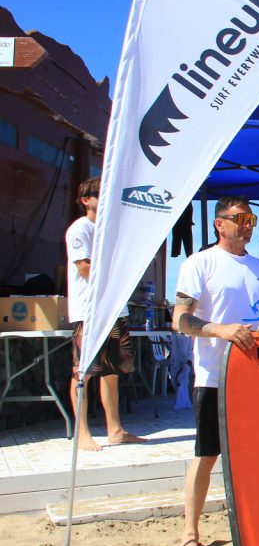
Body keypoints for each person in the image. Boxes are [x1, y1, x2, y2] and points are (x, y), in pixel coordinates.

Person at [172, 196, 259, 546]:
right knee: (207, 454)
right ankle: (189, 532)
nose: (248, 224)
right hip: (214, 375)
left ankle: (256, 522)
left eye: (252, 219)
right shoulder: (200, 263)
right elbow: (180, 319)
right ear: (219, 223)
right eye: (240, 218)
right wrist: (220, 329)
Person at [64, 176, 144, 451]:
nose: (106, 197)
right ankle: (82, 433)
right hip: (89, 312)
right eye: (100, 193)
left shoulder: (111, 229)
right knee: (82, 371)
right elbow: (85, 268)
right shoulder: (80, 229)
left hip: (115, 310)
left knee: (112, 372)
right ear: (86, 199)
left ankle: (116, 430)